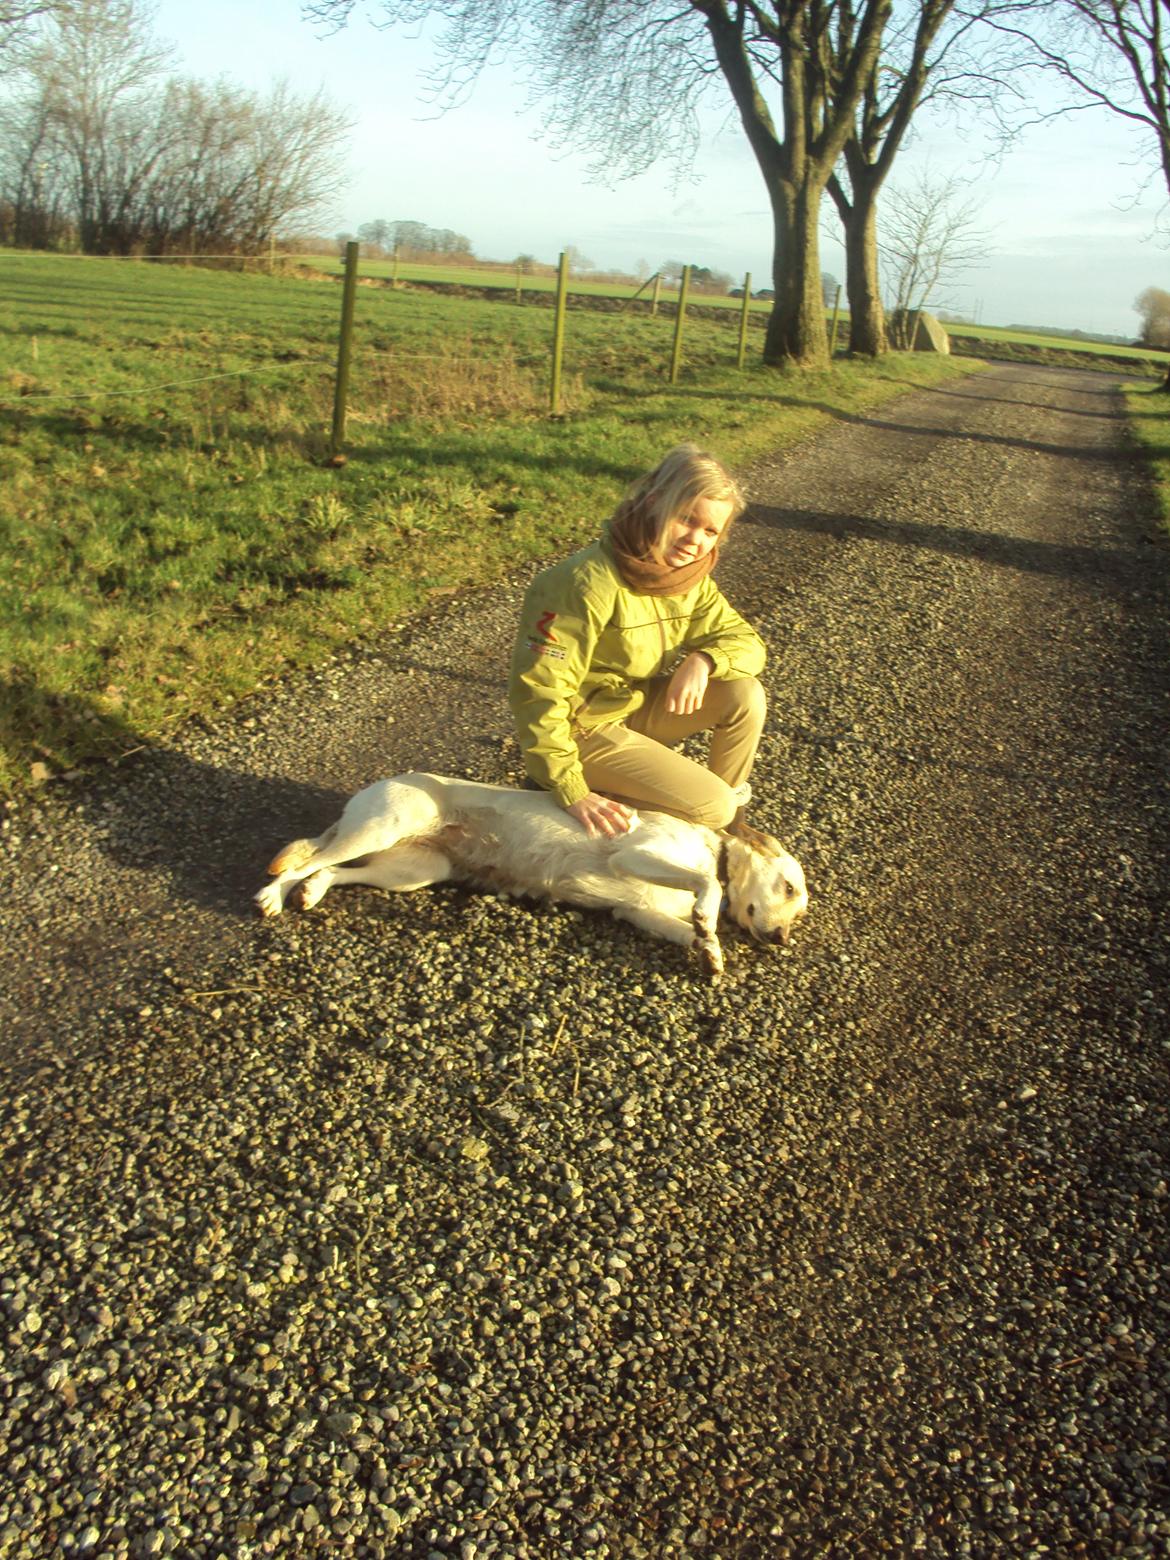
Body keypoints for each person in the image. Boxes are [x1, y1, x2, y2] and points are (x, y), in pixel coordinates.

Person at [508, 443, 767, 839]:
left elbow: (746, 643)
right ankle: (564, 796)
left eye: (711, 530)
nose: (695, 540)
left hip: (628, 707)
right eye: (685, 519)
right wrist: (567, 786)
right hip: (580, 729)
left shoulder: (686, 580)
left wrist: (704, 660)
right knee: (711, 805)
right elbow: (538, 692)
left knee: (743, 694)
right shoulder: (580, 584)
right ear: (653, 502)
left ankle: (727, 834)